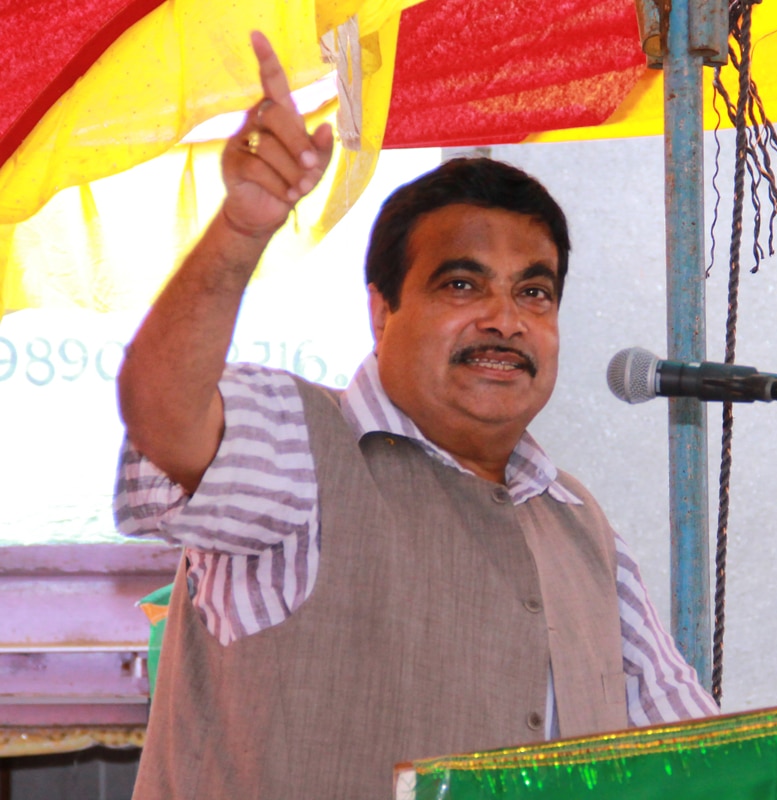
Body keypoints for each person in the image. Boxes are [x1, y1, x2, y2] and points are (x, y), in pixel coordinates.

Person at [114, 31, 716, 799]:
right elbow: (164, 420)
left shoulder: (580, 525)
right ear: (381, 310)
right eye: (463, 287)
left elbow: (702, 761)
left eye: (534, 292)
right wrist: (240, 233)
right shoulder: (305, 449)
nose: (506, 319)